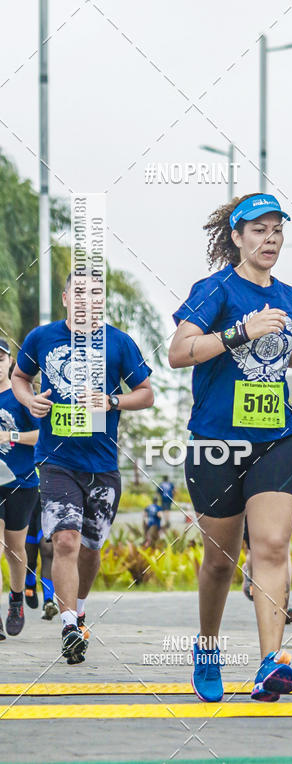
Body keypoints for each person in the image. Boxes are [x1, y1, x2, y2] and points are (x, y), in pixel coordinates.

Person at [169, 192, 292, 703]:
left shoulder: (289, 295)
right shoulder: (213, 290)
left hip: (275, 438)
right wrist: (241, 330)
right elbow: (178, 353)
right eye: (258, 230)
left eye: (277, 230)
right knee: (219, 560)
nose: (271, 239)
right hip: (217, 441)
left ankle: (269, 663)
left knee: (273, 546)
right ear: (236, 238)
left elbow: (275, 345)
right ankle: (208, 648)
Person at [12, 272, 154, 662]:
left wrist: (112, 402)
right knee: (65, 540)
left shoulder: (120, 343)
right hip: (56, 460)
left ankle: (81, 604)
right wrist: (28, 401)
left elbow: (146, 395)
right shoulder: (42, 338)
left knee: (90, 547)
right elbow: (20, 377)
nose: (87, 299)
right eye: (80, 292)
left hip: (103, 465)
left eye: (96, 293)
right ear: (65, 298)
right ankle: (70, 623)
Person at [0, 337, 40, 639]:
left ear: (9, 363)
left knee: (14, 549)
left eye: (1, 359)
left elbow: (43, 436)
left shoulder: (20, 395)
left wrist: (10, 436)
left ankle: (16, 600)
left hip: (22, 481)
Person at [24, 494, 59, 621]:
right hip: (24, 496)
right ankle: (29, 584)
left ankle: (48, 601)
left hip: (47, 497)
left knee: (48, 549)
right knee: (29, 556)